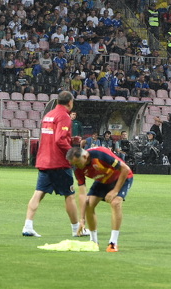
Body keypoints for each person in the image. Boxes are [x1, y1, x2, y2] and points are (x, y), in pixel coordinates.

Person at [22, 90, 83, 238]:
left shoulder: (48, 115)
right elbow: (59, 140)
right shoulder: (64, 116)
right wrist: (73, 152)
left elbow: (52, 137)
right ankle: (76, 229)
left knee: (38, 193)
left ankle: (27, 226)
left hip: (44, 160)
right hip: (59, 162)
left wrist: (71, 139)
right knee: (69, 195)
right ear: (70, 102)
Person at [67, 145, 133, 253]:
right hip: (103, 179)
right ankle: (93, 242)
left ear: (85, 157)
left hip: (122, 177)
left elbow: (125, 169)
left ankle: (113, 242)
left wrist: (115, 191)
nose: (77, 166)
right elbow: (82, 194)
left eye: (77, 163)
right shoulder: (77, 168)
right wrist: (82, 219)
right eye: (74, 164)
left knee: (115, 203)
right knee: (88, 204)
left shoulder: (100, 154)